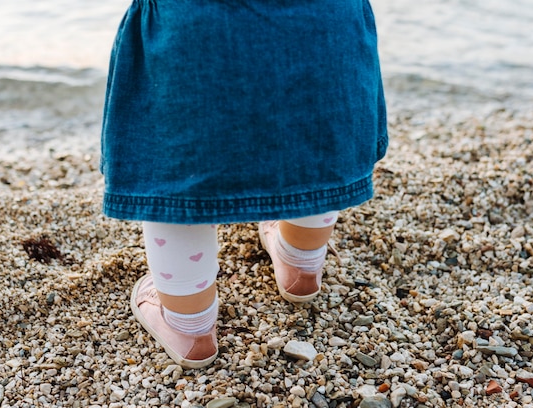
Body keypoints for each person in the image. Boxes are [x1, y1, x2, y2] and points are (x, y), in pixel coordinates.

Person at [101, 0, 388, 369]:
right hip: (325, 21)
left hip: (196, 23)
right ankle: (302, 264)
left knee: (179, 171)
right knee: (317, 138)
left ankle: (189, 325)